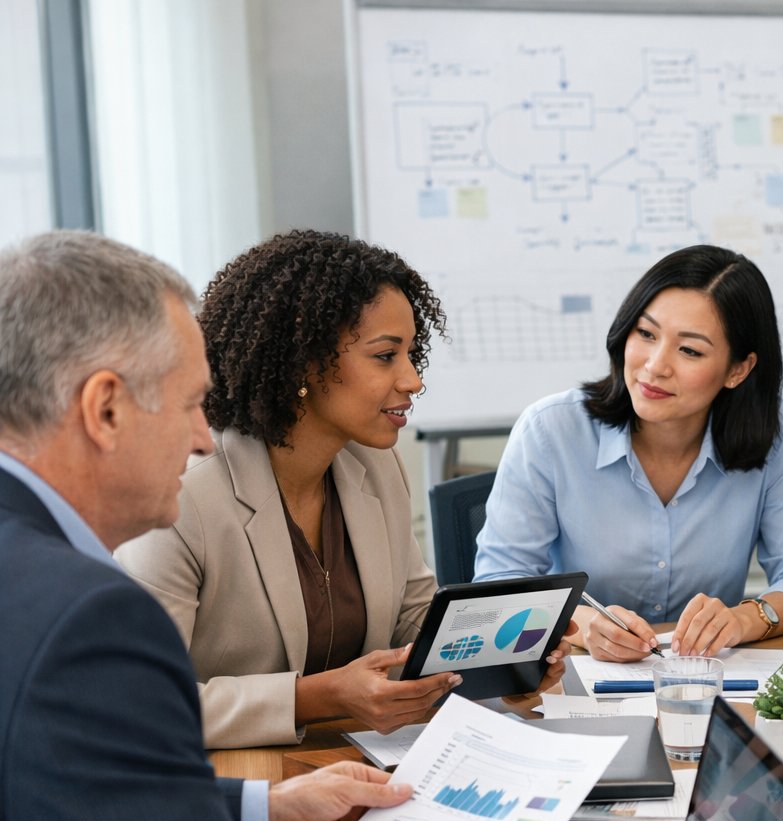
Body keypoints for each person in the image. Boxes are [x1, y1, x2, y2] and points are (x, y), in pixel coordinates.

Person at [0, 230, 578, 821]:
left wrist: (260, 814)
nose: (204, 434)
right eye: (191, 405)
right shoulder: (81, 616)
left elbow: (68, 784)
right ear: (104, 407)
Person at [115, 230, 571, 749]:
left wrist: (503, 666)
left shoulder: (374, 464)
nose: (412, 380)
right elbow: (140, 704)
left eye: (411, 354)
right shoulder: (182, 496)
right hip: (236, 784)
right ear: (305, 362)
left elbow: (412, 622)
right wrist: (318, 697)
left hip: (357, 764)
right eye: (385, 356)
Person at [474, 244, 783, 660]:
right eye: (646, 334)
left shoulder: (777, 429)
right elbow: (499, 587)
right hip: (574, 684)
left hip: (705, 684)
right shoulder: (550, 430)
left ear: (738, 370)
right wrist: (585, 626)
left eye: (690, 350)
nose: (655, 366)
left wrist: (745, 619)